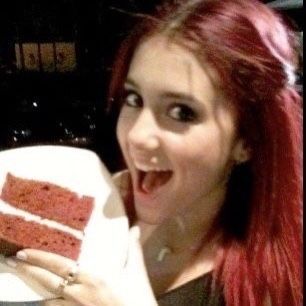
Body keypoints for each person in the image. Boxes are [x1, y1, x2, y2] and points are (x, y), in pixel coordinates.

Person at [5, 0, 302, 305]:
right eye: (134, 98)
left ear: (247, 141)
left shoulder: (272, 287)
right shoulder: (104, 206)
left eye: (182, 112)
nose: (136, 135)